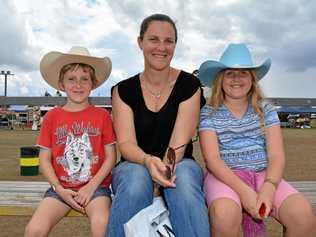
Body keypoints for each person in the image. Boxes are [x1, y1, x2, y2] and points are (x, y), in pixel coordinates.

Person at [107, 13, 210, 237]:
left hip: (179, 162)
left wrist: (161, 174)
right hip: (134, 163)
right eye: (154, 39)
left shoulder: (190, 85)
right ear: (140, 42)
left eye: (168, 41)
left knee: (182, 186)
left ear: (175, 45)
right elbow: (125, 143)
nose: (161, 47)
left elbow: (179, 144)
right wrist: (147, 161)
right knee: (136, 182)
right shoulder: (123, 90)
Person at [198, 43, 316, 237]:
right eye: (230, 73)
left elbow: (276, 155)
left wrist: (269, 188)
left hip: (263, 176)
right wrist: (244, 192)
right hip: (226, 177)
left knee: (303, 215)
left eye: (243, 72)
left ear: (252, 79)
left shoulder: (265, 109)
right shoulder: (208, 113)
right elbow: (213, 160)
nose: (236, 78)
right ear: (220, 79)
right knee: (224, 215)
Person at [25, 46, 116, 237]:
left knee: (102, 225)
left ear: (93, 83)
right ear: (61, 84)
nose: (78, 85)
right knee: (34, 230)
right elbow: (44, 159)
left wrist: (91, 187)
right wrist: (59, 188)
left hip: (95, 189)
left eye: (85, 79)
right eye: (71, 79)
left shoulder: (102, 116)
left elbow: (110, 158)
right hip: (60, 189)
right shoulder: (51, 117)